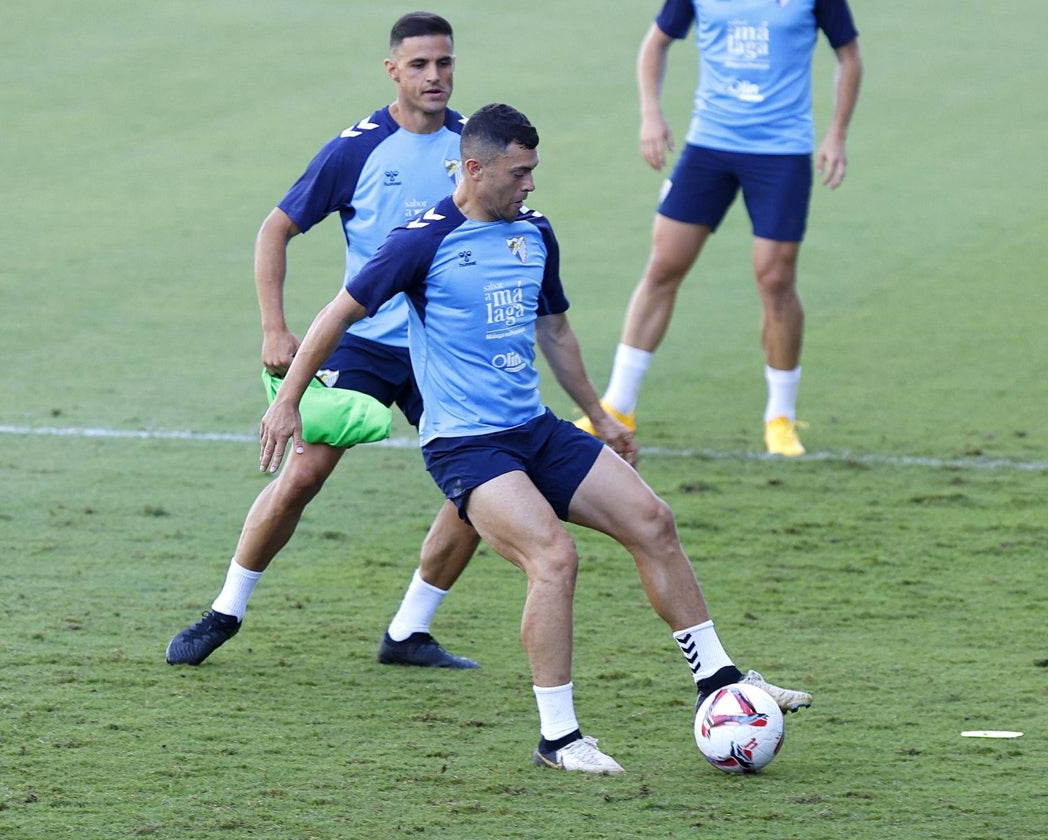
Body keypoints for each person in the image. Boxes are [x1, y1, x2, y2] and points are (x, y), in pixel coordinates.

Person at [259, 103, 812, 774]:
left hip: (535, 430)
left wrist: (601, 416)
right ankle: (559, 738)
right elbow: (336, 313)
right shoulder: (420, 241)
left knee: (653, 520)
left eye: (533, 172)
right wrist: (289, 400)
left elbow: (555, 332)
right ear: (474, 169)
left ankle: (720, 681)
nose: (530, 186)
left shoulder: (536, 232)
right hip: (467, 446)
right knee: (553, 557)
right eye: (518, 174)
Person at [166, 12, 482, 669]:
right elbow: (273, 230)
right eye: (419, 64)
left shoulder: (472, 149)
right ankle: (225, 611)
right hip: (361, 339)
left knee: (484, 486)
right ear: (393, 70)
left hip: (441, 350)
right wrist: (274, 327)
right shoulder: (357, 149)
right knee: (304, 472)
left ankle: (408, 631)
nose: (434, 76)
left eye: (444, 63)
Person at [578, 0, 863, 456]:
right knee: (664, 265)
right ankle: (619, 404)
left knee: (775, 278)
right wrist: (650, 112)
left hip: (781, 151)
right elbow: (656, 43)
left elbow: (849, 56)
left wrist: (837, 134)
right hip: (709, 145)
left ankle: (780, 419)